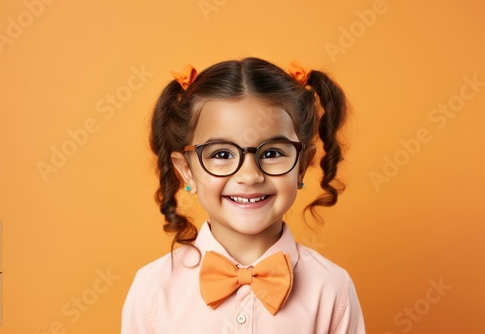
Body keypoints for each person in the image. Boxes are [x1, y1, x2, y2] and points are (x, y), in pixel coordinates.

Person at [121, 57, 366, 333]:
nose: (250, 176)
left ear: (302, 165)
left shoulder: (333, 289)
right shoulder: (151, 290)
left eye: (272, 153)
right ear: (186, 170)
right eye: (222, 154)